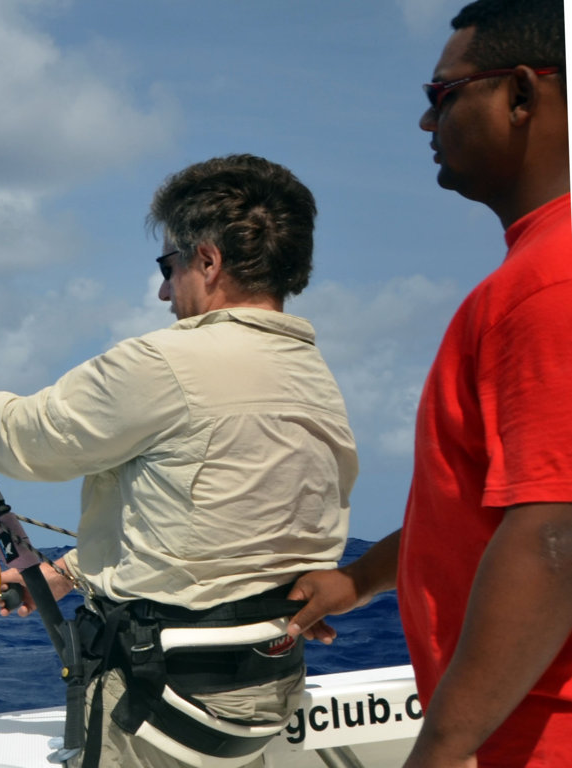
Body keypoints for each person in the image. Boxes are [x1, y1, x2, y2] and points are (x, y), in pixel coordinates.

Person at [0, 154, 358, 768]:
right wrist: (69, 571)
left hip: (161, 694)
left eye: (169, 267)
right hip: (265, 686)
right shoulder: (312, 374)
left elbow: (35, 438)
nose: (165, 290)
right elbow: (211, 524)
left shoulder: (166, 362)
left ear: (208, 260)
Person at [285, 1, 572, 765]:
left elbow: (554, 530)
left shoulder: (549, 280)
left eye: (440, 97)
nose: (424, 125)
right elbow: (496, 502)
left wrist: (440, 748)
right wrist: (357, 581)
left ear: (519, 94)